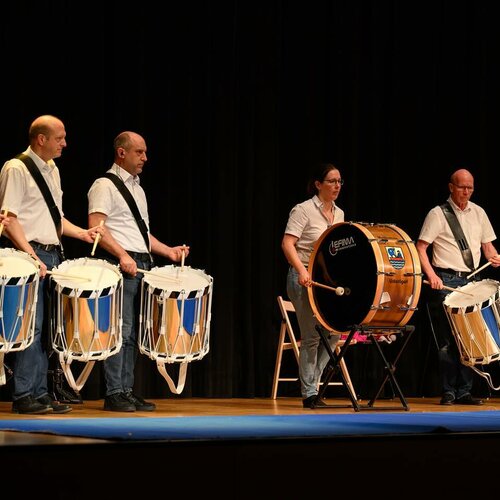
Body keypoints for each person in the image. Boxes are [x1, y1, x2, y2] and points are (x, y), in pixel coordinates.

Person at [0, 114, 104, 414]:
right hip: (28, 255)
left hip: (52, 255)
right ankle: (23, 395)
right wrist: (30, 256)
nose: (65, 143)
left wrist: (84, 234)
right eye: (60, 138)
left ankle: (40, 392)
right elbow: (9, 220)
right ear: (41, 139)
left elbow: (55, 220)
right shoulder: (17, 168)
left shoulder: (53, 170)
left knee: (47, 329)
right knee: (30, 326)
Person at [88, 131, 189, 412]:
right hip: (123, 265)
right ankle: (114, 392)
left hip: (142, 264)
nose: (145, 158)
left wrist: (168, 251)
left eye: (145, 152)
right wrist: (121, 255)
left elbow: (141, 234)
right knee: (122, 330)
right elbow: (97, 227)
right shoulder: (104, 185)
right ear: (122, 153)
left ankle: (127, 390)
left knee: (134, 334)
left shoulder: (138, 188)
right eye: (139, 152)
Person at [416, 168, 500, 406]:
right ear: (451, 187)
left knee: (471, 337)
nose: (466, 191)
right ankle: (448, 390)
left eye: (470, 187)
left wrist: (494, 257)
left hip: (472, 281)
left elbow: (488, 247)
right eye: (462, 187)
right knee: (448, 340)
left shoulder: (479, 213)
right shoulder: (438, 214)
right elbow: (421, 247)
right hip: (447, 281)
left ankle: (464, 390)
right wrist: (431, 275)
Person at [281, 163, 345, 409]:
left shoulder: (339, 214)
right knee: (311, 337)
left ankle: (314, 381)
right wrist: (301, 271)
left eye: (339, 181)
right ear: (319, 184)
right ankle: (309, 393)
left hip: (326, 280)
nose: (337, 186)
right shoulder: (303, 210)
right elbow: (288, 244)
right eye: (332, 181)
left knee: (335, 332)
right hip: (303, 277)